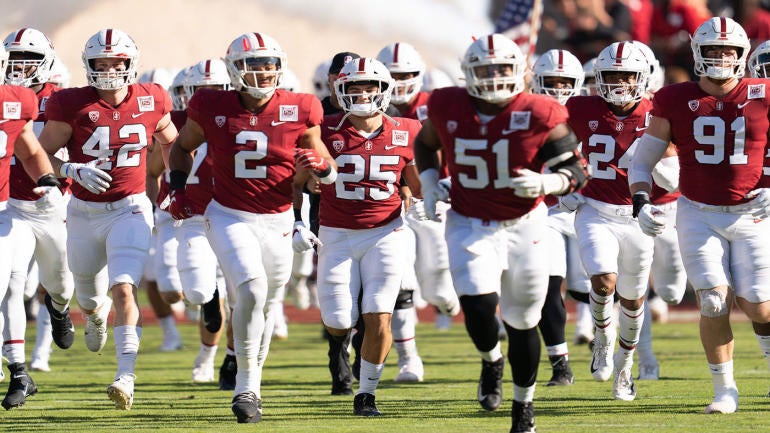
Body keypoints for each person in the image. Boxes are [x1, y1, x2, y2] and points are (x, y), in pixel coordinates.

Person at [414, 34, 590, 433]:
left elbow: (578, 170)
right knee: (478, 307)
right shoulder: (446, 104)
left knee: (523, 320)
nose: (493, 77)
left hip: (524, 226)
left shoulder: (540, 111)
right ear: (468, 73)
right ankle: (491, 358)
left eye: (501, 69)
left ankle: (522, 406)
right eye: (485, 70)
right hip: (469, 222)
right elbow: (425, 145)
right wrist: (428, 182)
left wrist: (550, 184)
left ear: (519, 72)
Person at [167, 32, 336, 423]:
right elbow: (180, 147)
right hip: (227, 215)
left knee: (265, 304)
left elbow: (323, 166)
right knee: (252, 289)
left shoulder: (302, 106)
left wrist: (322, 169)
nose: (263, 73)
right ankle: (246, 388)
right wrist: (178, 186)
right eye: (253, 65)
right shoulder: (211, 104)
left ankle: (251, 382)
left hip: (277, 219)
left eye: (269, 64)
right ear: (234, 69)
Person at [629, 16, 770, 414]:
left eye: (727, 50)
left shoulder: (764, 92)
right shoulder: (674, 99)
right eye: (712, 50)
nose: (720, 58)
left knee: (759, 304)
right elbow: (642, 162)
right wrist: (640, 201)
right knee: (711, 301)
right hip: (698, 212)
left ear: (742, 54)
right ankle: (725, 390)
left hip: (753, 212)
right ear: (697, 54)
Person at [38, 28, 178, 410]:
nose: (109, 70)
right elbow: (40, 153)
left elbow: (172, 143)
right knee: (87, 293)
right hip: (83, 212)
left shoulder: (153, 99)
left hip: (130, 207)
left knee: (125, 287)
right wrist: (70, 170)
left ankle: (126, 377)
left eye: (116, 63)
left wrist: (176, 184)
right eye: (101, 64)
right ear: (89, 66)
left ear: (131, 64)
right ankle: (94, 314)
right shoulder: (70, 104)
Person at [295, 56, 422, 416]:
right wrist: (299, 220)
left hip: (386, 232)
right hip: (335, 234)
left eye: (370, 87)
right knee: (337, 319)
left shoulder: (407, 129)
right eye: (354, 87)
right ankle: (339, 346)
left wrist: (428, 195)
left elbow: (418, 183)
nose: (363, 94)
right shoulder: (325, 129)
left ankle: (366, 394)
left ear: (384, 90)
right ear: (340, 90)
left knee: (378, 312)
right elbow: (299, 182)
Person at [561, 41, 658, 401]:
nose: (619, 82)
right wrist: (565, 180)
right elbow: (551, 145)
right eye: (612, 75)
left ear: (642, 77)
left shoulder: (658, 111)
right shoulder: (579, 107)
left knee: (633, 301)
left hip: (638, 216)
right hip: (595, 209)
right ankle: (602, 339)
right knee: (603, 281)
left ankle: (624, 367)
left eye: (627, 75)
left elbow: (680, 162)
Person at [2, 28, 75, 389]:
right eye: (14, 59)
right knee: (12, 284)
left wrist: (68, 172)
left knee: (60, 286)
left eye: (29, 59)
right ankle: (18, 369)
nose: (20, 67)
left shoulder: (62, 100)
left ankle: (60, 311)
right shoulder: (8, 98)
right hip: (11, 206)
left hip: (52, 204)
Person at [530, 48, 589, 386]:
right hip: (548, 210)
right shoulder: (528, 114)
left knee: (598, 284)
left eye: (564, 82)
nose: (557, 89)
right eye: (549, 82)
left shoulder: (590, 110)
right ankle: (560, 364)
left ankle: (605, 342)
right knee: (549, 286)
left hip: (589, 208)